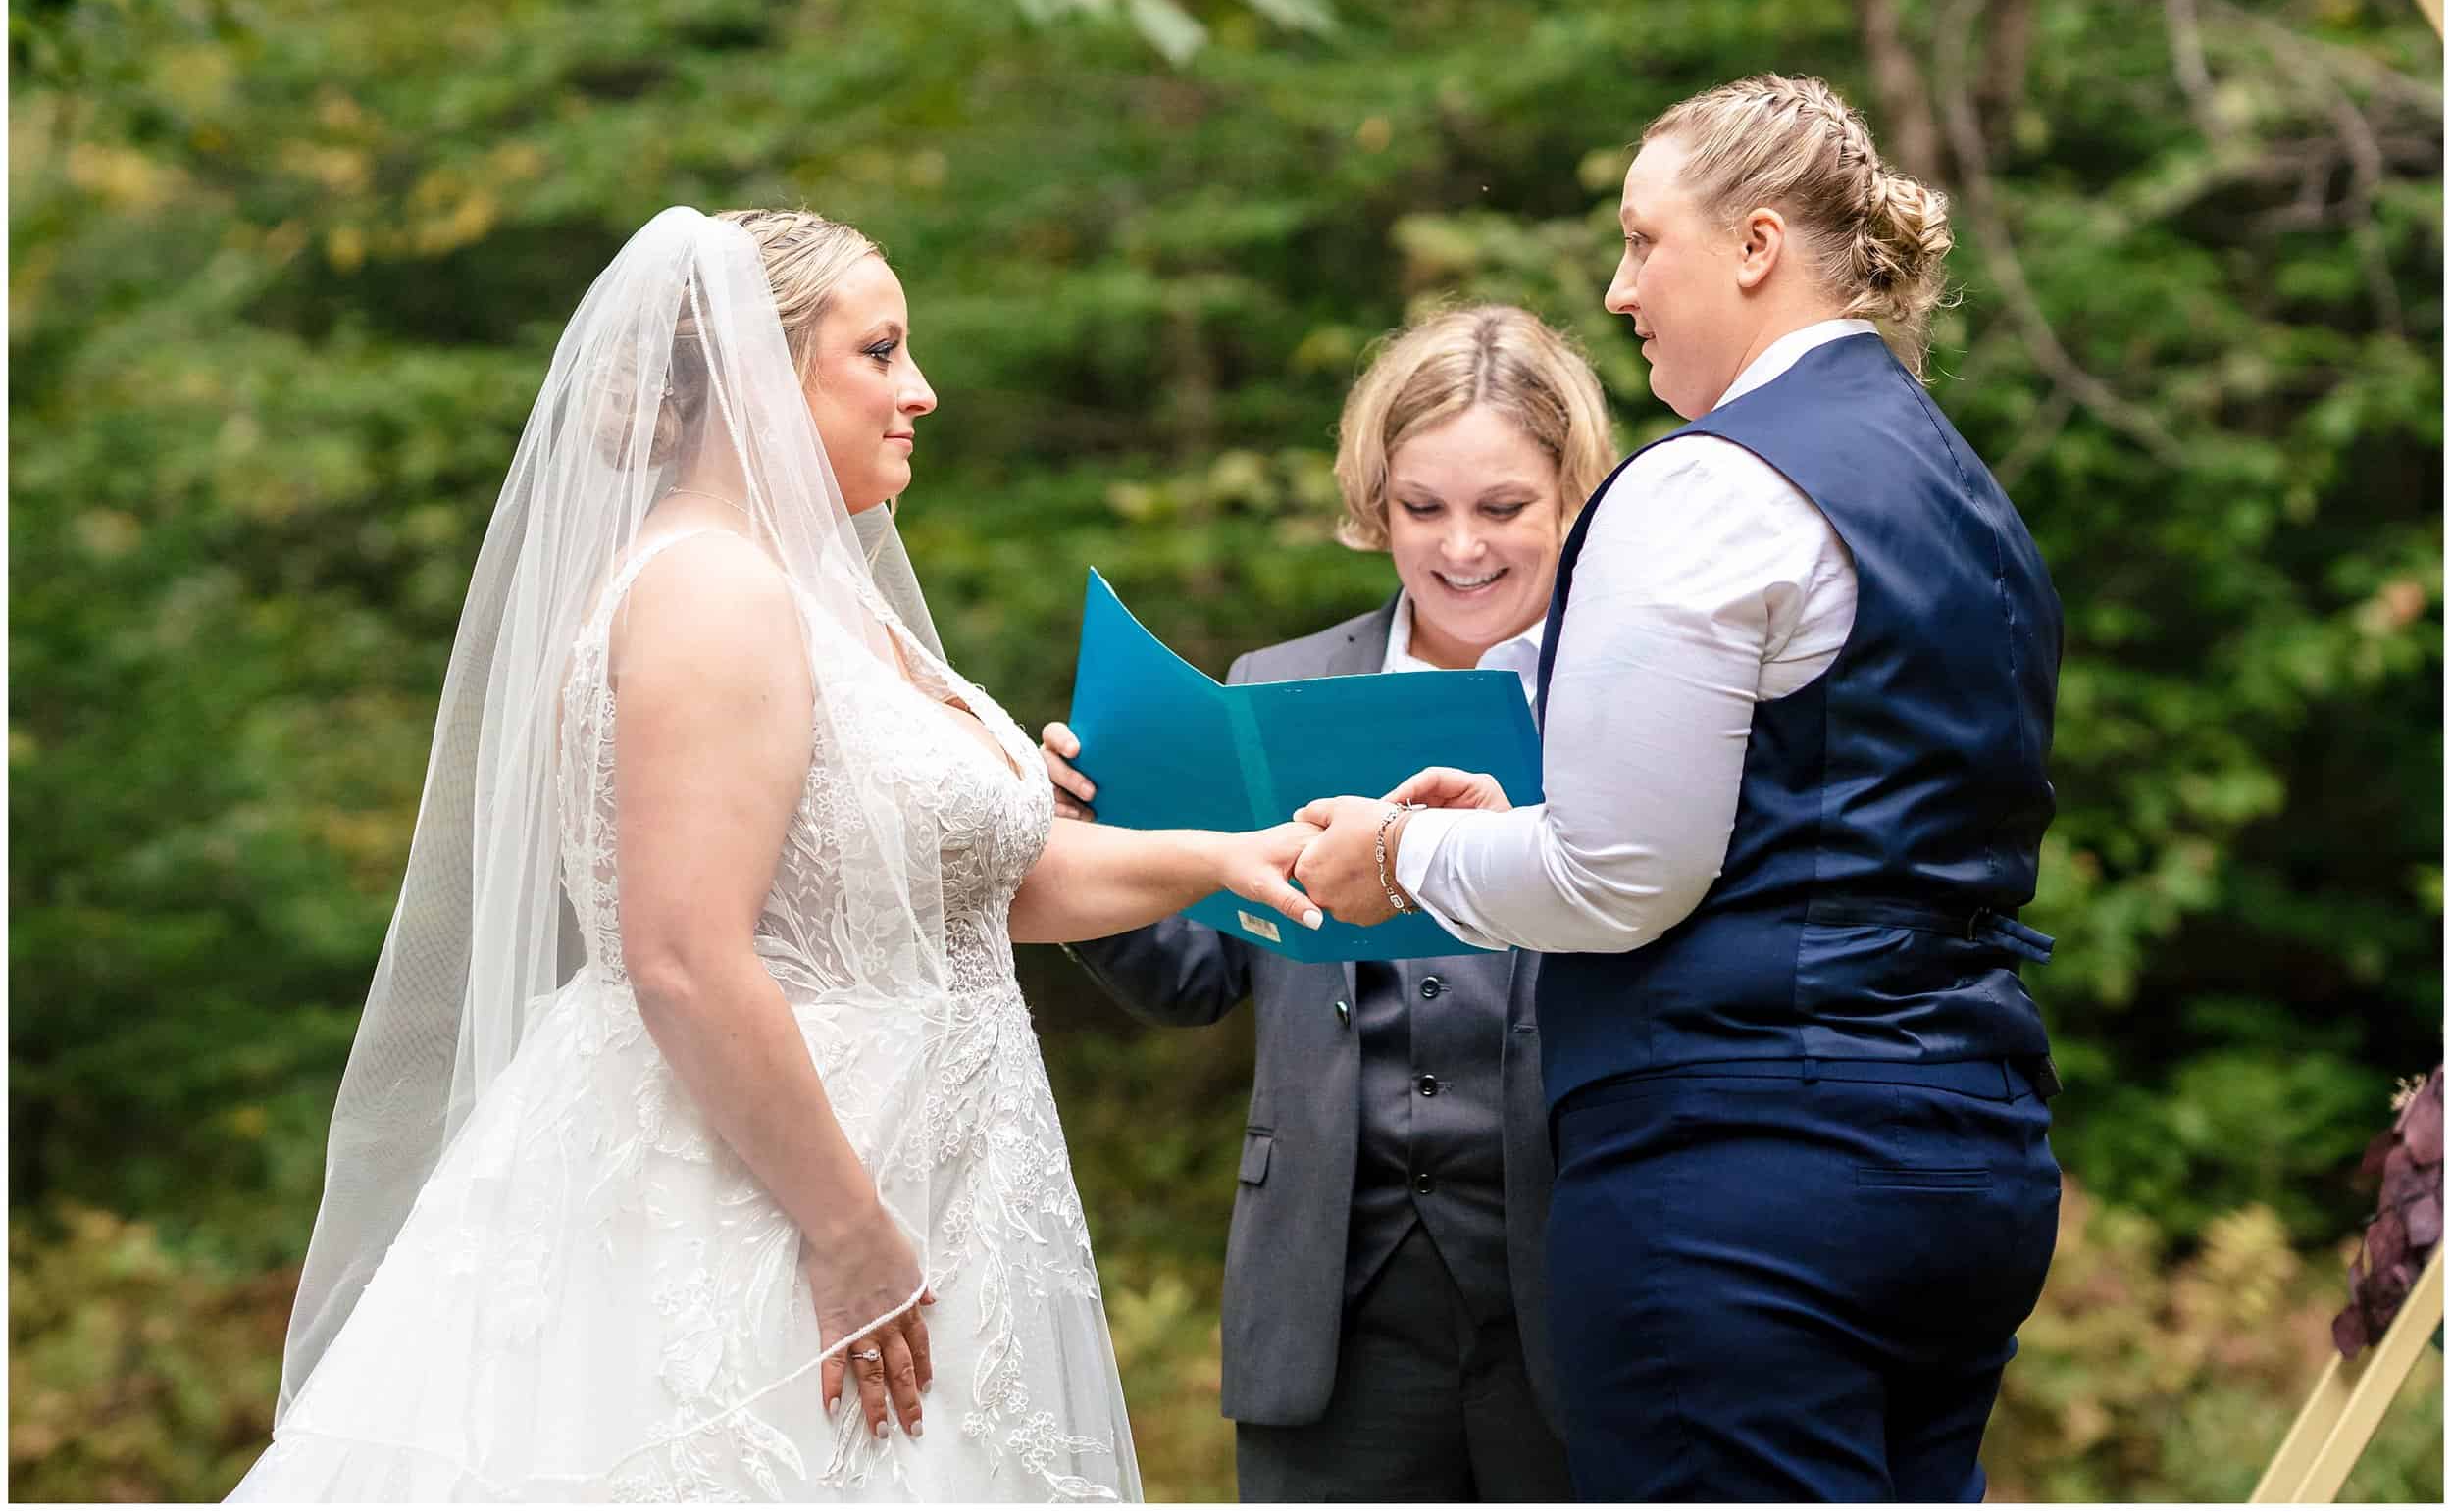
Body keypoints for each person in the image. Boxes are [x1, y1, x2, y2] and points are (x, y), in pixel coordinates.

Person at [230, 207, 1324, 1502]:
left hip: (930, 1180)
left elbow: (972, 893)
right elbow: (682, 955)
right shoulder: (711, 593)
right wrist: (847, 1228)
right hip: (760, 1197)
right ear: (760, 374)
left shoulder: (821, 594)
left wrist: (1227, 855)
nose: (919, 390)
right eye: (879, 352)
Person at [1293, 75, 2066, 1502]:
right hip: (1968, 1155)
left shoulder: (1706, 484)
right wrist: (1501, 831)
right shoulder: (1962, 491)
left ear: (1757, 245)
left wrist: (1399, 854)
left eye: (1646, 243)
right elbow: (1811, 818)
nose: (1620, 285)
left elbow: (1621, 876)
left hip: (1749, 1182)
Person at [1038, 305, 1614, 1502]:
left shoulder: (1634, 693)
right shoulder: (1279, 685)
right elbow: (1194, 973)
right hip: (1326, 1296)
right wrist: (1083, 839)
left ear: (1571, 493)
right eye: (1422, 508)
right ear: (1375, 501)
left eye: (1502, 508)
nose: (1460, 547)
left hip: (1573, 1276)